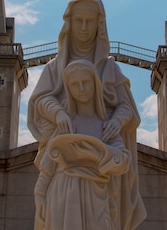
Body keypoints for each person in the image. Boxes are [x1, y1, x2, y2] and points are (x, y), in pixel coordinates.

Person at [28, 0, 146, 230]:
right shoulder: (54, 68)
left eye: (89, 21)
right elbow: (40, 100)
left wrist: (116, 122)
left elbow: (126, 106)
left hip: (99, 182)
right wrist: (59, 114)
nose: (83, 27)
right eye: (78, 21)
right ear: (69, 24)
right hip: (62, 182)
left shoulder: (109, 67)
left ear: (99, 25)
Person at [34, 60, 130, 230]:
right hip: (61, 192)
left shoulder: (105, 126)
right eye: (75, 85)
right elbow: (49, 160)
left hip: (96, 193)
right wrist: (40, 194)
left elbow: (123, 162)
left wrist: (97, 155)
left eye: (85, 82)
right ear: (69, 89)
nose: (81, 89)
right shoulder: (66, 125)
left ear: (95, 83)